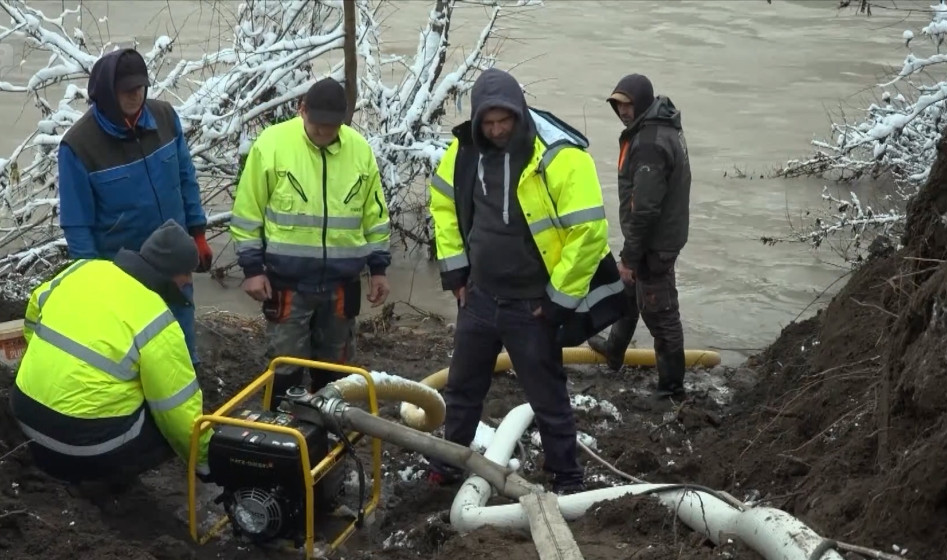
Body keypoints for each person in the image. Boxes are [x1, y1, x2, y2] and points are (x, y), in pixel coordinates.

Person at [426, 68, 628, 494]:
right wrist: (456, 271)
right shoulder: (466, 151)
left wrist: (558, 301)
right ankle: (447, 465)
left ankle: (567, 478)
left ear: (520, 113)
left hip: (532, 303)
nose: (497, 131)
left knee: (548, 397)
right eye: (489, 123)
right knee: (462, 387)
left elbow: (588, 234)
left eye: (505, 121)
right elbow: (443, 204)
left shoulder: (559, 156)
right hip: (478, 297)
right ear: (478, 120)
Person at [11, 220, 213, 486]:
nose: (188, 283)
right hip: (79, 452)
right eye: (188, 275)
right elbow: (178, 415)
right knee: (163, 417)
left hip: (24, 419)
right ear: (174, 275)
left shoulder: (83, 269)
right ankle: (106, 485)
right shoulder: (156, 320)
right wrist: (207, 462)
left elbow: (35, 308)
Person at [230, 77, 392, 396]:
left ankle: (331, 429)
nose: (323, 133)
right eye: (317, 124)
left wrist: (379, 270)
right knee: (285, 366)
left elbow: (375, 217)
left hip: (342, 284)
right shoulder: (272, 145)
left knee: (336, 368)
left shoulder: (360, 151)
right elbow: (248, 212)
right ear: (301, 110)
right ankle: (283, 430)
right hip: (286, 282)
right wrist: (252, 271)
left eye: (331, 127)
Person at [56, 48, 212, 368]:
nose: (135, 94)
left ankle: (188, 407)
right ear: (105, 92)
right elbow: (77, 225)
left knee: (181, 349)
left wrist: (197, 233)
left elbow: (186, 178)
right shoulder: (79, 146)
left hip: (173, 261)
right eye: (126, 88)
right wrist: (92, 281)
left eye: (140, 86)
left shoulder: (166, 118)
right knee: (133, 357)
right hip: (122, 271)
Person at [588, 74, 691, 399]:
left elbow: (645, 209)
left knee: (661, 315)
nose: (623, 111)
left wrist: (630, 257)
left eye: (628, 104)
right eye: (618, 105)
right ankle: (615, 352)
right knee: (629, 293)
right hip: (661, 236)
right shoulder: (660, 127)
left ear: (643, 103)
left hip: (653, 243)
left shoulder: (648, 145)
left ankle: (671, 390)